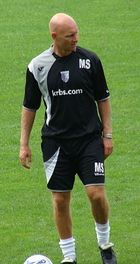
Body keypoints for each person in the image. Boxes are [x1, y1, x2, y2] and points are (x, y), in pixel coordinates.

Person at [19, 13, 117, 264]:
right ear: (54, 36)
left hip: (89, 140)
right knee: (60, 199)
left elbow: (103, 99)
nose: (76, 39)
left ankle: (105, 245)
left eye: (76, 33)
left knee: (96, 194)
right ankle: (69, 258)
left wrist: (107, 134)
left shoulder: (90, 60)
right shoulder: (37, 66)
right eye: (70, 35)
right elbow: (30, 107)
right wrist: (23, 144)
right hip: (55, 143)